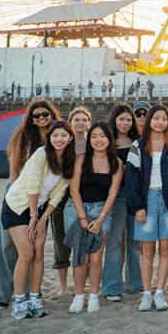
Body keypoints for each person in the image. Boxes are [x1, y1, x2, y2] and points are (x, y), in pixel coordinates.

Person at [0, 99, 60, 311]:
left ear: (52, 115)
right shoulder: (23, 138)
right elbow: (13, 173)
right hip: (18, 195)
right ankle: (0, 294)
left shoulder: (57, 137)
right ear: (30, 118)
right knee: (7, 247)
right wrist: (14, 192)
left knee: (33, 248)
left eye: (45, 114)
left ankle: (31, 293)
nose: (41, 119)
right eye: (36, 115)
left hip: (41, 199)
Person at [1, 120, 75, 320]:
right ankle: (19, 301)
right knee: (26, 252)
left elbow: (58, 194)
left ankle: (35, 299)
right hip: (18, 206)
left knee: (39, 251)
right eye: (55, 135)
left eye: (63, 135)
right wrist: (33, 217)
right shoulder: (42, 154)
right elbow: (33, 186)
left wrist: (42, 220)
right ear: (50, 138)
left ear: (70, 138)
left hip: (41, 210)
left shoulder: (70, 160)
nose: (59, 139)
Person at [124, 104, 168, 312]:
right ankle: (146, 294)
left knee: (165, 249)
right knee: (147, 250)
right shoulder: (138, 145)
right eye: (156, 118)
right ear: (150, 121)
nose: (160, 122)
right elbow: (131, 179)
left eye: (164, 119)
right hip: (147, 201)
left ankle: (160, 292)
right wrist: (137, 207)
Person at [65, 122, 122, 313]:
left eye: (103, 136)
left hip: (102, 210)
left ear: (109, 139)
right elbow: (74, 189)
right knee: (81, 257)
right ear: (89, 140)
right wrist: (82, 218)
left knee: (96, 257)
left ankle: (94, 296)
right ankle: (79, 296)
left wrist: (100, 219)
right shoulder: (81, 159)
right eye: (94, 136)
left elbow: (113, 193)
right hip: (77, 209)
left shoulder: (116, 163)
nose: (99, 140)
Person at [102, 104, 142, 302]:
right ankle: (111, 286)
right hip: (115, 195)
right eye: (121, 119)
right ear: (114, 120)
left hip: (135, 196)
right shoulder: (107, 142)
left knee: (135, 242)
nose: (125, 123)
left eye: (128, 120)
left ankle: (135, 283)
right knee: (115, 241)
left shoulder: (138, 142)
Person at [52, 106, 93, 298]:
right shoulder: (64, 143)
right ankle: (62, 285)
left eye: (84, 119)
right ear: (70, 122)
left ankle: (81, 283)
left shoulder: (92, 144)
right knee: (61, 243)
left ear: (89, 123)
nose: (80, 122)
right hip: (60, 198)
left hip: (85, 197)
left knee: (83, 243)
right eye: (76, 119)